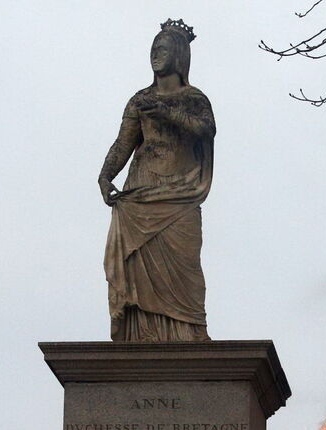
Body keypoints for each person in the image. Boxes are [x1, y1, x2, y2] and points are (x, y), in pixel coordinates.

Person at [99, 18, 215, 342]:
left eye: (162, 48)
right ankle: (142, 335)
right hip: (141, 193)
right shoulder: (139, 101)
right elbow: (123, 143)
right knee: (138, 269)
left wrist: (167, 113)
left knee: (185, 270)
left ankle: (190, 332)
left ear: (178, 54)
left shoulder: (195, 99)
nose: (155, 54)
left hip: (181, 194)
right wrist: (106, 175)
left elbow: (205, 130)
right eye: (153, 48)